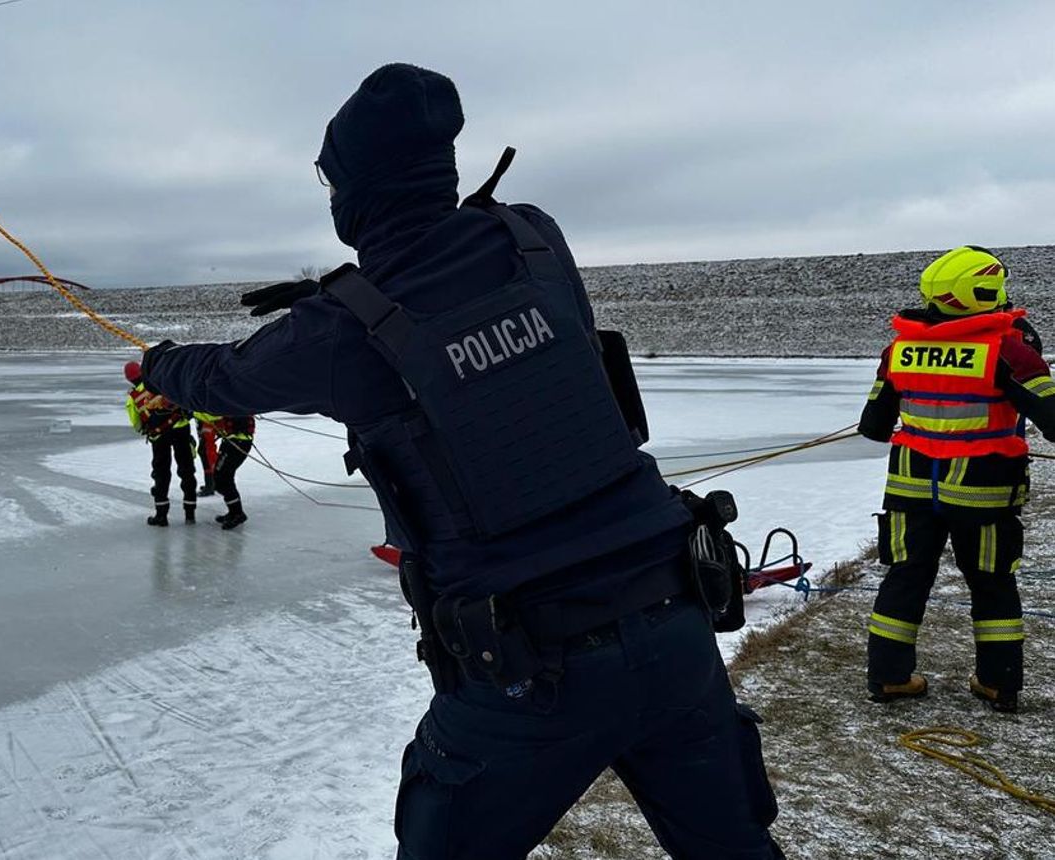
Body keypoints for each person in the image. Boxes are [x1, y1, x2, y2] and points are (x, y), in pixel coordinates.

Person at [140, 64, 782, 859]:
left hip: (528, 670)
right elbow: (470, 306)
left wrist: (157, 362)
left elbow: (224, 378)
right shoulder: (535, 237)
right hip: (675, 616)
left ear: (353, 190)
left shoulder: (340, 329)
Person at [859, 246, 1054, 714]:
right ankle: (997, 683)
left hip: (910, 488)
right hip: (982, 492)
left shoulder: (899, 349)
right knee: (992, 584)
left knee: (905, 579)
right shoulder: (1007, 347)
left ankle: (889, 678)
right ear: (984, 291)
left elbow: (873, 426)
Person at [124, 360, 197, 526]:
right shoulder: (162, 383)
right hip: (181, 429)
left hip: (159, 436)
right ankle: (190, 513)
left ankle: (161, 515)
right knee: (186, 470)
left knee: (162, 473)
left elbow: (137, 425)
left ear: (129, 379)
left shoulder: (133, 399)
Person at [194, 413, 256, 529]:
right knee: (223, 477)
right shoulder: (231, 400)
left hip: (238, 442)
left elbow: (213, 415)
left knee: (222, 477)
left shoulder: (231, 402)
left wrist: (194, 409)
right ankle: (234, 511)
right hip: (232, 441)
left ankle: (237, 513)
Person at [196, 416, 219, 497]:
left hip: (208, 418)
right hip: (204, 417)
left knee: (206, 451)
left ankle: (210, 484)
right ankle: (214, 482)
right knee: (206, 450)